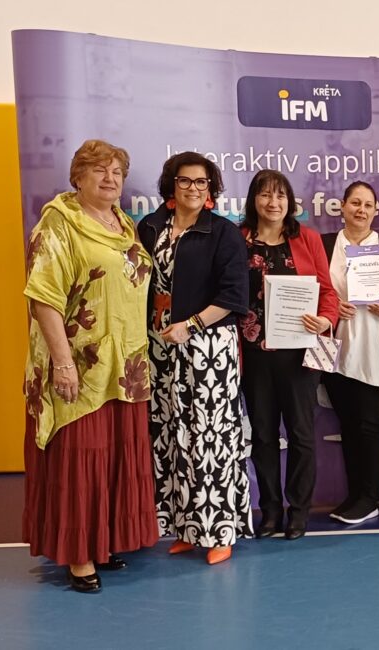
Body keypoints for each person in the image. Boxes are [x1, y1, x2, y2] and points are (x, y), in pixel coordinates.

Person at [23, 139, 158, 593]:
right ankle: (78, 555)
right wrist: (62, 362)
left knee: (113, 457)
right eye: (99, 169)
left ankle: (102, 542)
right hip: (79, 363)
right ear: (77, 176)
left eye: (117, 171)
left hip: (125, 365)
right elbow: (43, 297)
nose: (110, 178)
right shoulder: (59, 223)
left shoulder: (123, 223)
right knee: (79, 460)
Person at [138, 152, 252, 565]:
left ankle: (219, 531)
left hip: (208, 349)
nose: (193, 188)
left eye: (201, 182)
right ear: (172, 184)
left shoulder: (223, 233)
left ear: (211, 189)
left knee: (210, 437)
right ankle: (186, 527)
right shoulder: (150, 227)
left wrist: (191, 324)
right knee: (172, 435)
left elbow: (234, 296)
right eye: (185, 181)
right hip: (160, 348)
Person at [238, 170, 339, 540]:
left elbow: (328, 292)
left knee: (301, 434)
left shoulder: (306, 238)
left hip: (299, 355)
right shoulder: (237, 239)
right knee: (263, 435)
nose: (273, 202)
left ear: (290, 201)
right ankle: (269, 511)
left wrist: (325, 319)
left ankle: (298, 511)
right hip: (254, 355)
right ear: (254, 200)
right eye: (265, 195)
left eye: (280, 195)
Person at [322, 181, 379, 525]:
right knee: (348, 424)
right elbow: (311, 289)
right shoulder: (324, 245)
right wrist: (330, 306)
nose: (361, 210)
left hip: (373, 351)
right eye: (355, 203)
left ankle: (370, 498)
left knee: (371, 424)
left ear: (376, 211)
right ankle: (355, 495)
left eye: (368, 205)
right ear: (342, 206)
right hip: (334, 351)